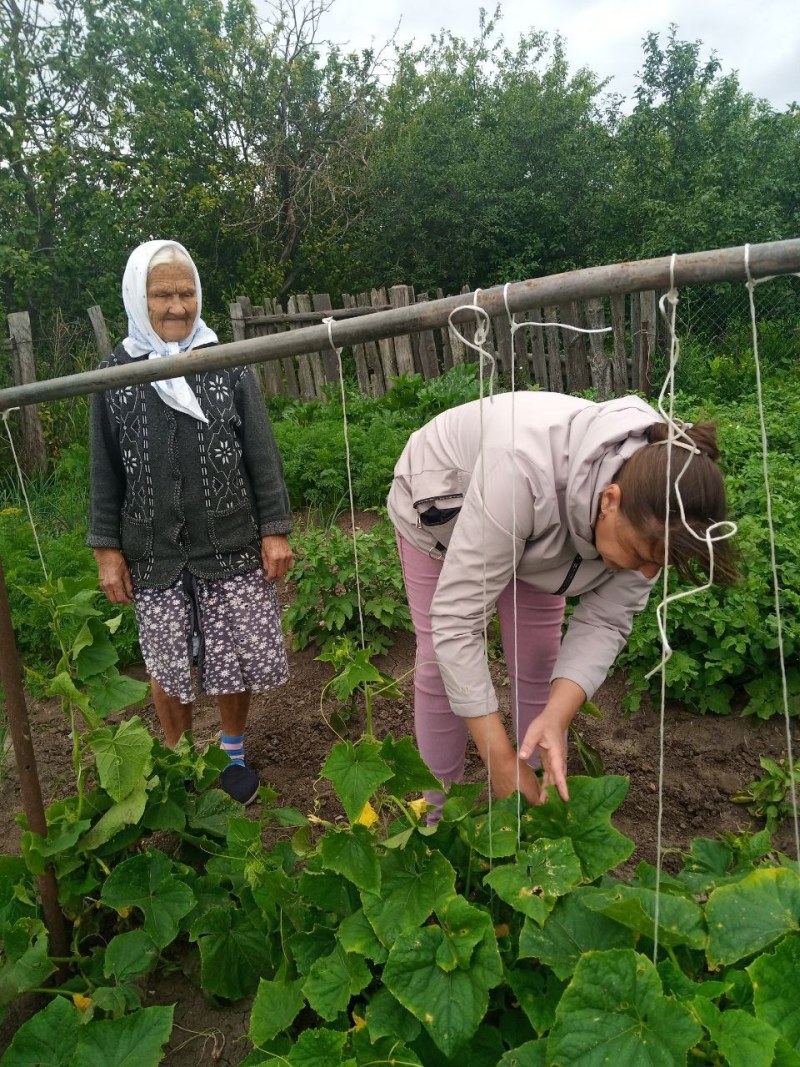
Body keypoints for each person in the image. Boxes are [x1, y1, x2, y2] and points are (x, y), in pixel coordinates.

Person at [387, 389, 737, 810]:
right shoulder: (521, 470)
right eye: (643, 558)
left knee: (538, 661)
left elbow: (607, 621)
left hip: (541, 521)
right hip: (445, 496)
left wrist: (557, 718)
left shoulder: (655, 510)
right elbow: (456, 622)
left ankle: (536, 810)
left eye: (657, 565)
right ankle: (438, 817)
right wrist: (497, 757)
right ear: (609, 501)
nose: (647, 574)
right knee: (439, 668)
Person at [88, 239, 293, 805]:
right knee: (166, 660)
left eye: (187, 292)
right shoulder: (115, 375)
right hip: (151, 549)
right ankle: (181, 759)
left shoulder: (223, 362)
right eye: (163, 294)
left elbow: (261, 451)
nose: (178, 306)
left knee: (233, 653)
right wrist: (108, 550)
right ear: (138, 297)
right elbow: (104, 469)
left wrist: (274, 528)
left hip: (227, 539)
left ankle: (230, 752)